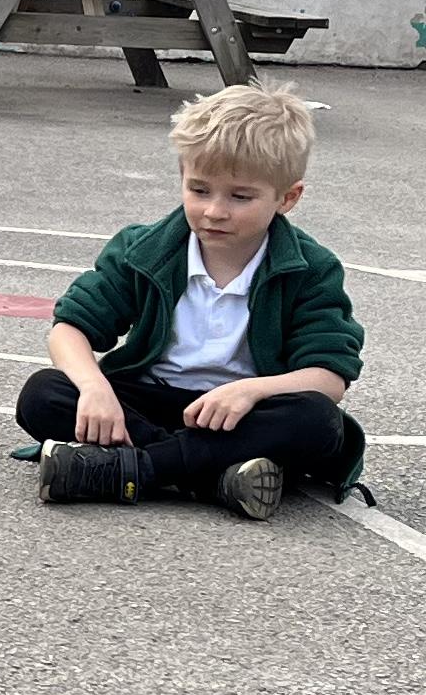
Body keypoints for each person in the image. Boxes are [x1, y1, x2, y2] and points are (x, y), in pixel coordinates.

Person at [23, 83, 364, 519]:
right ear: (182, 178)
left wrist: (250, 390)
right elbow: (69, 329)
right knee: (43, 393)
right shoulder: (144, 248)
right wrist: (94, 388)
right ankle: (215, 476)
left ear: (288, 198)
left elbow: (329, 376)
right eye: (199, 190)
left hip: (244, 415)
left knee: (317, 420)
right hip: (152, 403)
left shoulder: (310, 268)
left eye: (240, 196)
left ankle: (134, 468)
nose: (214, 211)